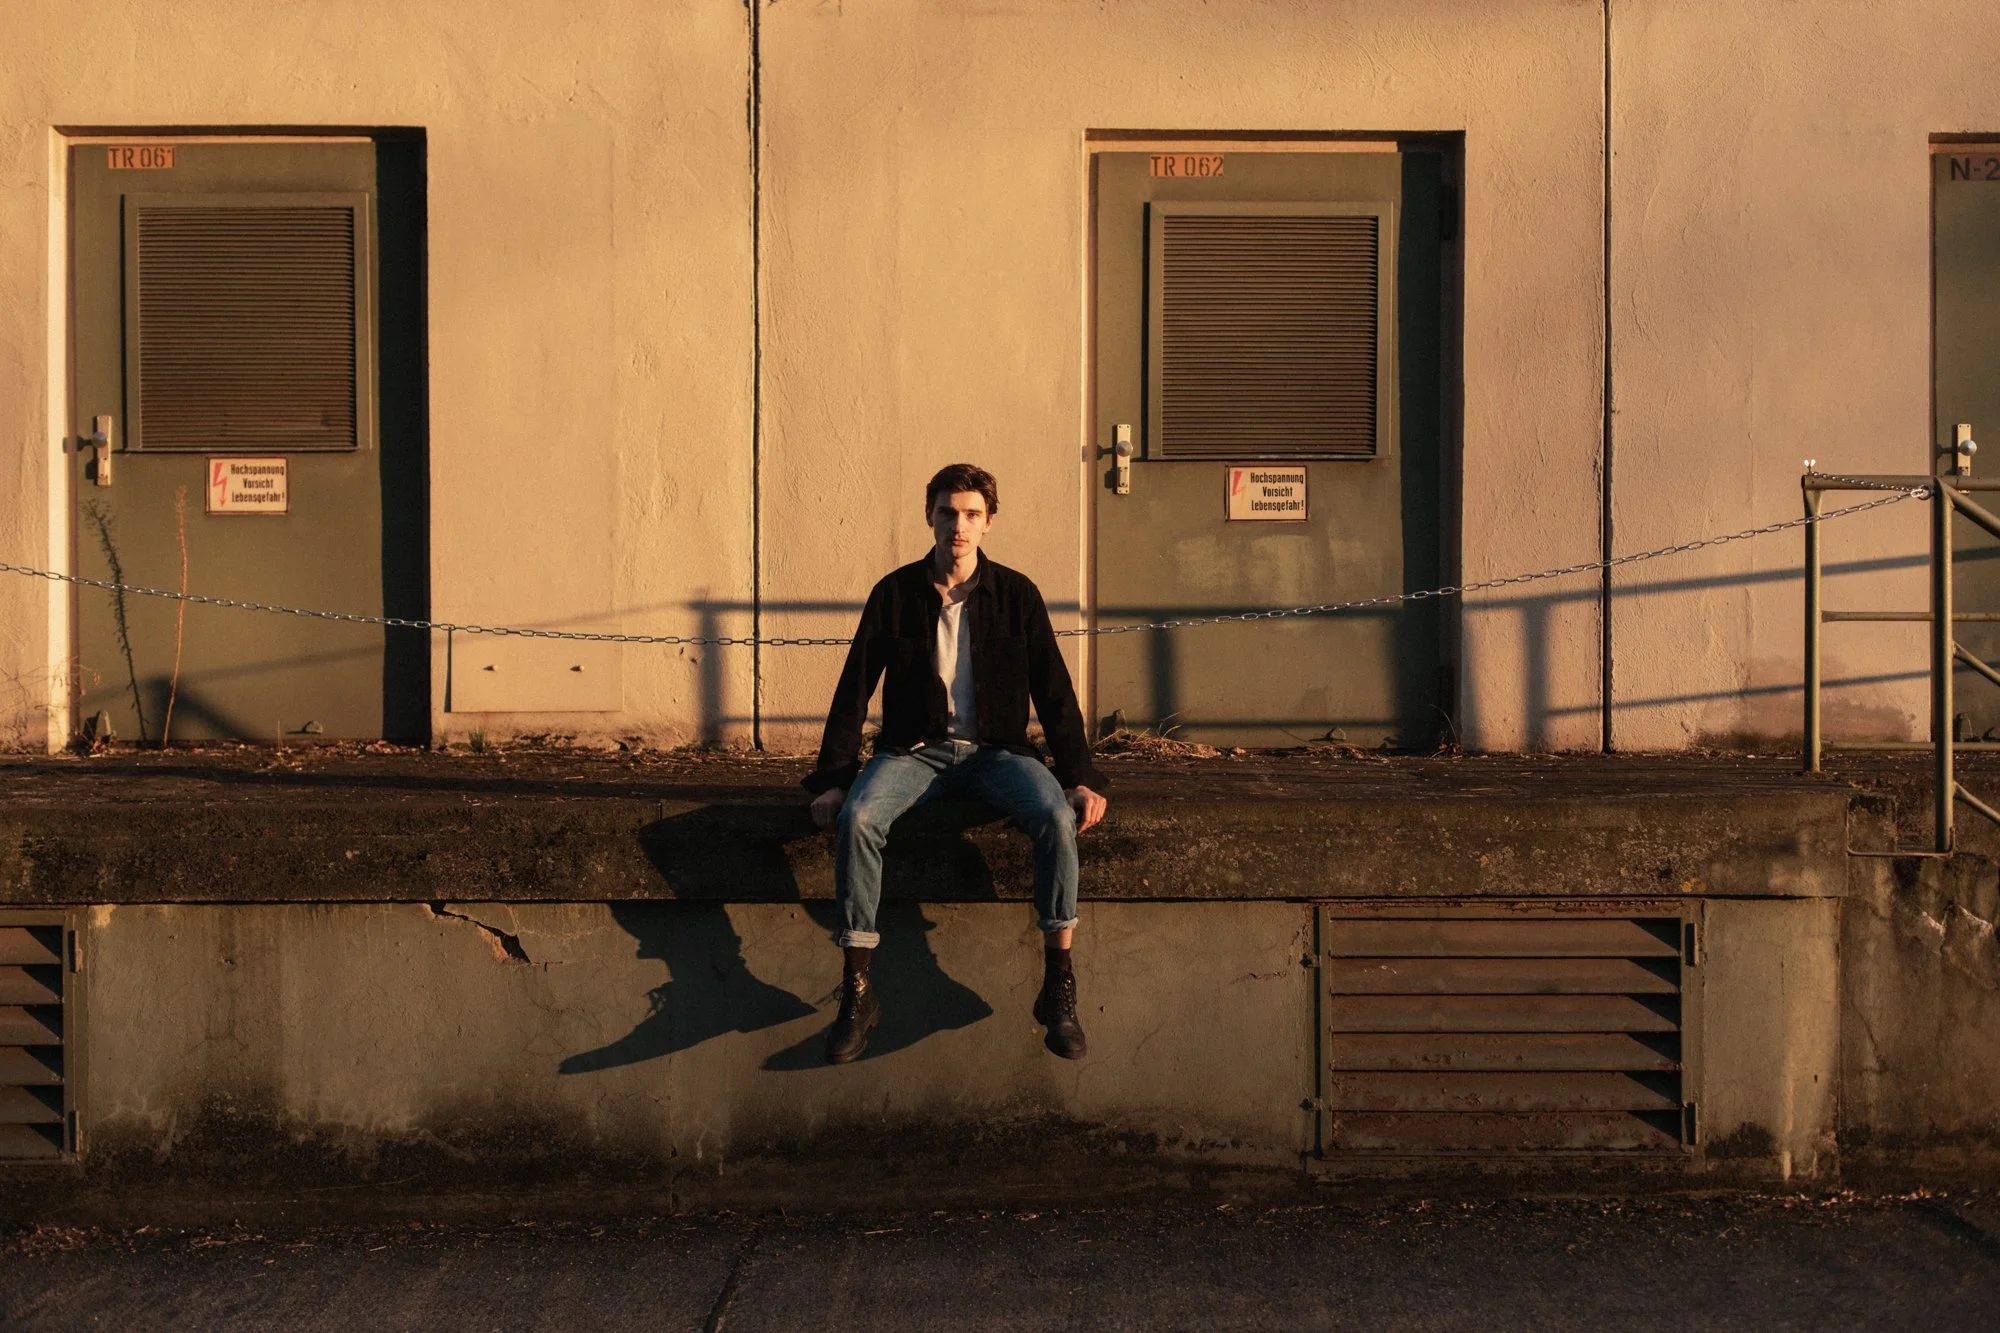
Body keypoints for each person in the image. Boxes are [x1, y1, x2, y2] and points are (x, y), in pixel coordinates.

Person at [804, 463, 1109, 1064]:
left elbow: (1054, 692)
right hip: (912, 753)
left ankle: (1059, 983)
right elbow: (853, 690)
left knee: (1053, 814)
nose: (959, 526)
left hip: (997, 753)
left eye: (972, 515)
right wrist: (835, 780)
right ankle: (859, 989)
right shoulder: (894, 593)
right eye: (949, 512)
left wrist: (1080, 776)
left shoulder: (1016, 595)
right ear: (931, 517)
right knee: (861, 820)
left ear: (989, 523)